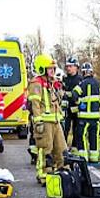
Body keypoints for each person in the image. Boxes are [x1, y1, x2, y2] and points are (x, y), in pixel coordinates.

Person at [28, 54, 66, 184]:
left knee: (61, 149)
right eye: (50, 68)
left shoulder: (53, 84)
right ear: (42, 69)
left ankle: (61, 174)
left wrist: (59, 88)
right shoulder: (36, 83)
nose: (53, 71)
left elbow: (57, 101)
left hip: (56, 121)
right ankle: (44, 175)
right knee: (46, 150)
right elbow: (35, 104)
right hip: (44, 122)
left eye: (53, 69)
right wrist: (38, 121)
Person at [70, 61, 100, 165]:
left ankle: (83, 160)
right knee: (94, 138)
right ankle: (94, 158)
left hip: (83, 117)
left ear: (83, 73)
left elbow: (73, 95)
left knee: (81, 137)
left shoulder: (81, 84)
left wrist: (79, 104)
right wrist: (99, 104)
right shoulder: (98, 84)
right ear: (92, 72)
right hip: (95, 117)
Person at [60, 56, 83, 150]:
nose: (68, 68)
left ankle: (74, 148)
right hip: (66, 110)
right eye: (67, 66)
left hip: (77, 109)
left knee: (77, 131)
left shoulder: (80, 80)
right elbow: (61, 92)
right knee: (64, 130)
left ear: (76, 67)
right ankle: (63, 149)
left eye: (70, 66)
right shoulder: (64, 79)